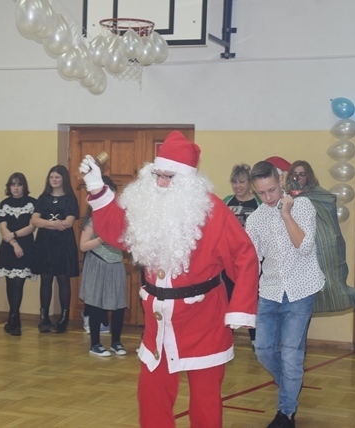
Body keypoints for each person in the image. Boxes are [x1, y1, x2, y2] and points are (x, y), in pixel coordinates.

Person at [79, 131, 259, 428]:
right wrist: (97, 186)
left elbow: (244, 255)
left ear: (187, 181)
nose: (161, 182)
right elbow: (116, 229)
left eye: (169, 177)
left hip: (203, 320)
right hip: (158, 324)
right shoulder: (147, 207)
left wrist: (240, 307)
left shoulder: (213, 211)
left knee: (205, 400)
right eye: (157, 175)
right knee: (151, 394)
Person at [246, 160, 324, 428]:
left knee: (291, 354)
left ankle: (286, 413)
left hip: (301, 291)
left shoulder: (303, 206)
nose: (268, 197)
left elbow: (304, 246)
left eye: (271, 190)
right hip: (269, 291)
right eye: (261, 193)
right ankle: (290, 386)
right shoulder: (255, 219)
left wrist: (286, 214)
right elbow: (252, 261)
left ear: (280, 180)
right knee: (263, 350)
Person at [285, 160, 355, 314]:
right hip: (292, 249)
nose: (297, 178)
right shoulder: (284, 196)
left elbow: (328, 209)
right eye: (294, 174)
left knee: (324, 285)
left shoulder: (318, 195)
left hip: (316, 246)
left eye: (302, 174)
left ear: (308, 177)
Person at [79, 176, 127, 357]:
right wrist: (102, 238)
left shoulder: (120, 218)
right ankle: (95, 344)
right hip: (97, 264)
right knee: (96, 305)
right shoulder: (92, 220)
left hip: (116, 264)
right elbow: (83, 246)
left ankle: (116, 342)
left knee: (119, 305)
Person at [31, 165, 79, 333]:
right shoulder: (43, 198)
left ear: (63, 179)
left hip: (63, 244)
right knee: (45, 280)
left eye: (57, 177)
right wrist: (53, 224)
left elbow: (69, 222)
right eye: (51, 177)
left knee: (63, 280)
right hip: (45, 243)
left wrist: (46, 223)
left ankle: (63, 319)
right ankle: (44, 318)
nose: (54, 180)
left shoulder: (70, 199)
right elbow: (34, 220)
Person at [223, 164, 260, 348]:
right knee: (226, 298)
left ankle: (255, 339)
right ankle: (225, 338)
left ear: (250, 183)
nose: (238, 186)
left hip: (251, 261)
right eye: (235, 182)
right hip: (228, 261)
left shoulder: (259, 203)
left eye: (242, 182)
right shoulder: (226, 202)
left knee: (252, 298)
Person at [0, 172, 37, 336]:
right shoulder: (4, 203)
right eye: (13, 184)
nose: (16, 188)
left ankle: (14, 318)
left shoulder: (33, 203)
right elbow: (3, 227)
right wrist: (13, 243)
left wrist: (14, 236)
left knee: (18, 283)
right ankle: (13, 319)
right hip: (8, 247)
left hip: (26, 246)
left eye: (19, 184)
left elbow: (32, 227)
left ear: (24, 186)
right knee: (10, 283)